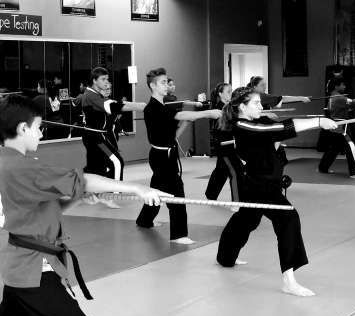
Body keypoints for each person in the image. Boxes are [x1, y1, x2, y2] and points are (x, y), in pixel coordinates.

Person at [0, 95, 169, 316]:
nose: (40, 135)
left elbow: (50, 206)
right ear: (23, 128)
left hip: (20, 264)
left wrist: (79, 197)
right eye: (38, 128)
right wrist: (137, 188)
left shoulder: (12, 160)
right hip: (32, 267)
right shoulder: (22, 167)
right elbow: (83, 179)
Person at [215, 87, 338, 297]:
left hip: (265, 183)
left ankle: (225, 257)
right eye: (256, 103)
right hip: (257, 185)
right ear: (242, 107)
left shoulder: (257, 121)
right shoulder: (242, 125)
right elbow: (278, 130)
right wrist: (318, 122)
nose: (261, 107)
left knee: (246, 219)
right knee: (288, 219)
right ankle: (289, 280)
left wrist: (282, 126)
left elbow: (275, 129)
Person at [135, 68, 221, 244]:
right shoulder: (153, 108)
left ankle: (144, 220)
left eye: (167, 82)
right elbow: (180, 114)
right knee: (176, 194)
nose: (167, 85)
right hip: (161, 157)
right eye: (163, 82)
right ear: (152, 86)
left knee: (157, 188)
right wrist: (206, 113)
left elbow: (173, 134)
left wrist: (188, 122)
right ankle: (179, 235)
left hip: (167, 153)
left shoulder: (163, 107)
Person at [76, 67, 146, 209]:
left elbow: (112, 104)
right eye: (103, 79)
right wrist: (139, 106)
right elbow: (111, 106)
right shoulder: (90, 95)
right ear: (94, 81)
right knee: (116, 161)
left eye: (107, 79)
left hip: (98, 136)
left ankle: (81, 188)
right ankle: (110, 195)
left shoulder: (95, 95)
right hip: (95, 138)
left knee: (95, 167)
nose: (106, 82)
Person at [204, 82, 240, 203]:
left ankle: (210, 194)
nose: (231, 93)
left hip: (230, 144)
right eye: (228, 91)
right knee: (235, 172)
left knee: (221, 170)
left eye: (231, 90)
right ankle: (237, 202)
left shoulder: (231, 107)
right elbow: (223, 127)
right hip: (224, 146)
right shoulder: (218, 109)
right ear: (220, 94)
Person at [246, 76, 311, 109]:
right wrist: (302, 98)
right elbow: (282, 98)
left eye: (265, 85)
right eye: (262, 85)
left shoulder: (251, 94)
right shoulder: (260, 96)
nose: (265, 87)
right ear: (255, 87)